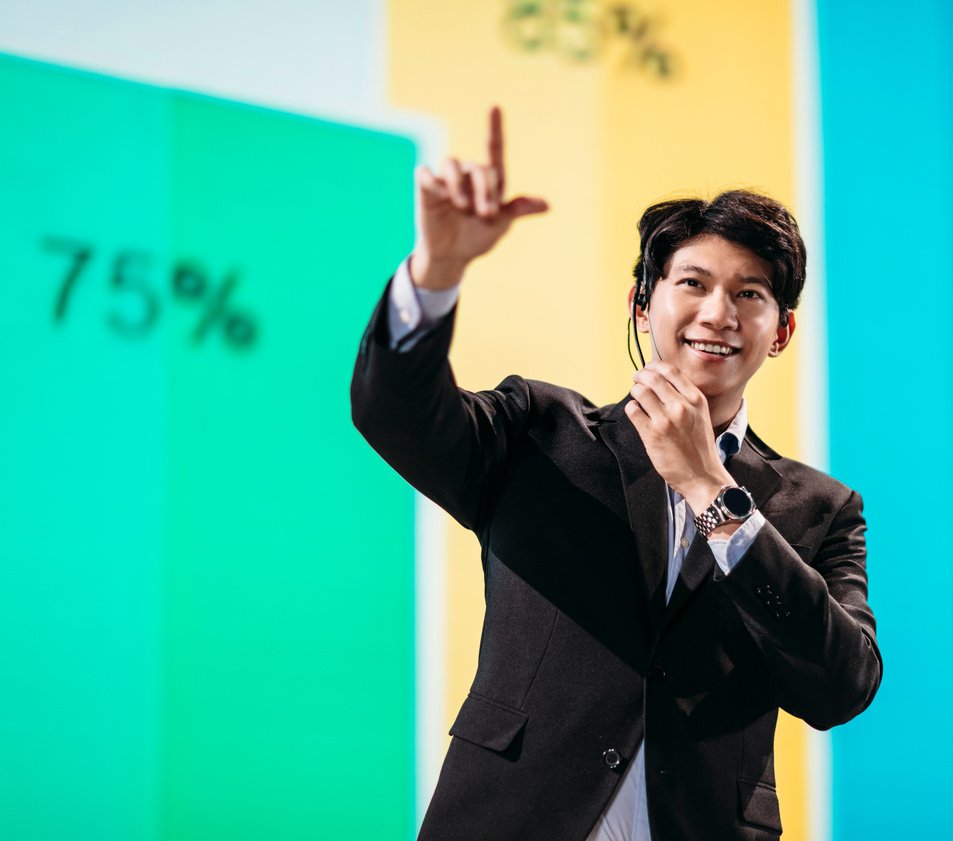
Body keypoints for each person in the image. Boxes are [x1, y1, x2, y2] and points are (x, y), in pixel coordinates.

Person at [350, 107, 881, 841]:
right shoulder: (539, 431)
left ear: (781, 330)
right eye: (691, 282)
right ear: (642, 303)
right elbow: (395, 410)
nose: (718, 313)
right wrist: (436, 273)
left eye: (750, 293)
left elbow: (842, 686)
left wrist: (713, 495)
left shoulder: (820, 510)